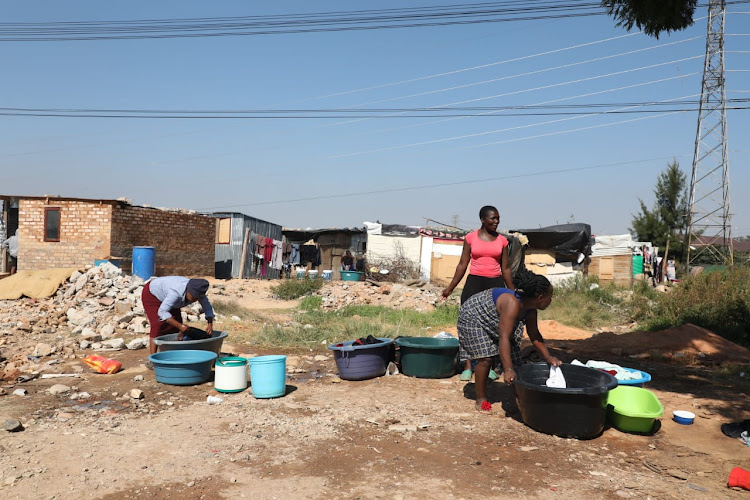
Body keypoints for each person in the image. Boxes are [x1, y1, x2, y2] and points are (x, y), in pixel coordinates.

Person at [457, 269, 561, 413]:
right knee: (485, 358)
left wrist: (548, 357)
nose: (551, 300)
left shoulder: (531, 310)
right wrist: (508, 369)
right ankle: (481, 399)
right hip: (473, 317)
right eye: (550, 297)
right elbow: (504, 336)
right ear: (540, 297)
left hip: (494, 318)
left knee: (516, 360)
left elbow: (534, 334)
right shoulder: (512, 303)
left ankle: (516, 398)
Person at [441, 206, 514, 381]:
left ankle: (488, 365)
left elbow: (506, 268)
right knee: (468, 324)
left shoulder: (503, 241)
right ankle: (468, 365)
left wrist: (512, 291)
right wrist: (450, 288)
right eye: (492, 218)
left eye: (498, 218)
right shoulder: (470, 238)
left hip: (494, 285)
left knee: (495, 326)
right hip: (474, 283)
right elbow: (462, 264)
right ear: (482, 219)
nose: (496, 221)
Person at [141, 276, 215, 356]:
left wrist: (210, 324)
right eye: (193, 297)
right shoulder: (176, 292)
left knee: (175, 325)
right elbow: (162, 312)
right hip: (153, 294)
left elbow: (207, 307)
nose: (195, 300)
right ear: (188, 290)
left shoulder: (199, 291)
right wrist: (180, 326)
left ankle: (174, 354)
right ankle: (153, 359)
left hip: (169, 297)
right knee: (158, 325)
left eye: (197, 298)